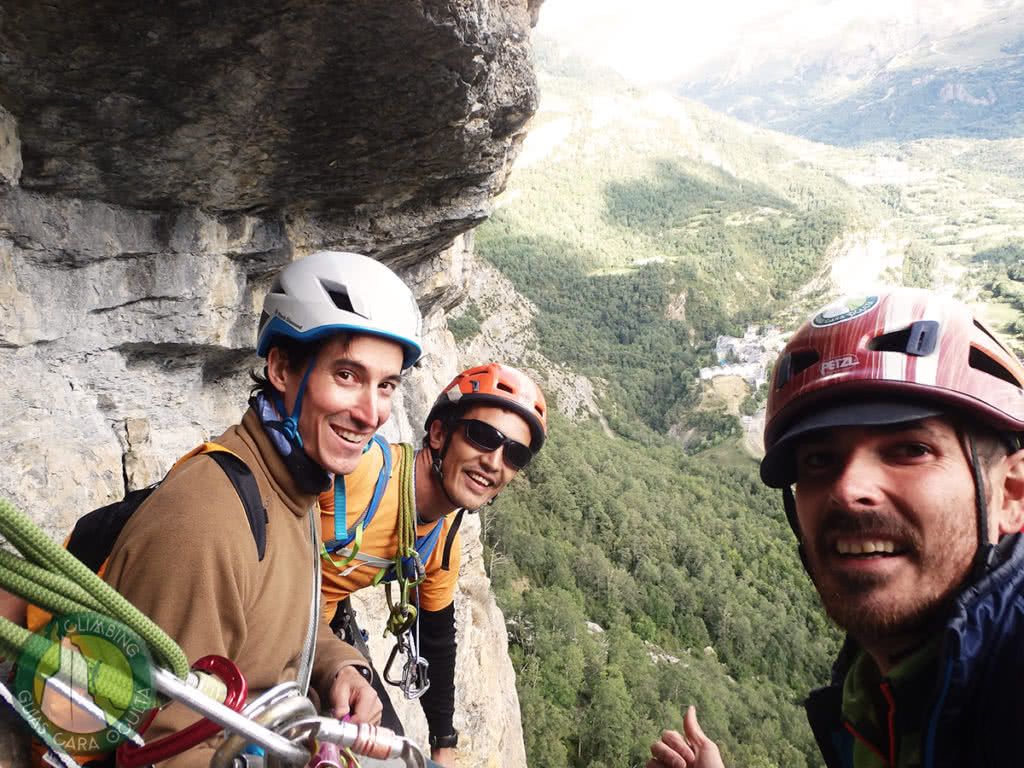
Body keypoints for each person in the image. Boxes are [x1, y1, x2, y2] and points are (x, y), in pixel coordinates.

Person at [37, 250, 423, 768]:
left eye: (386, 385)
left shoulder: (295, 489)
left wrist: (339, 668)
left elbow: (285, 623)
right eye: (348, 375)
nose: (371, 411)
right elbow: (160, 751)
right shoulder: (208, 523)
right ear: (282, 368)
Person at [648, 290, 1024, 768]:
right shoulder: (876, 694)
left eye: (910, 449)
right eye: (819, 460)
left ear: (1012, 493)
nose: (848, 488)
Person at [318, 363, 547, 768]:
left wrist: (444, 741)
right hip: (273, 618)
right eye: (482, 436)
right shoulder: (362, 473)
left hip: (325, 627)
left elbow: (435, 638)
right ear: (439, 433)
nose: (494, 462)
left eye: (514, 455)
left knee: (394, 753)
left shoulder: (440, 543)